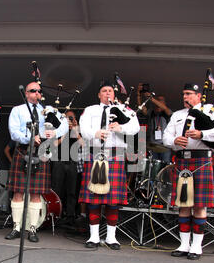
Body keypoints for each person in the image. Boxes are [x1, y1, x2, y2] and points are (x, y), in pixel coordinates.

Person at [163, 83, 214, 260]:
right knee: (184, 204)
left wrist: (202, 135)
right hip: (182, 160)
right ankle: (184, 245)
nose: (185, 97)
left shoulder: (209, 111)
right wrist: (175, 141)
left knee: (199, 206)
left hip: (201, 159)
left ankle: (196, 247)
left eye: (189, 94)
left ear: (199, 96)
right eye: (184, 94)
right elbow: (165, 137)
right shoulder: (177, 115)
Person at [78, 80, 140, 250]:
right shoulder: (90, 110)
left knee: (113, 201)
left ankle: (111, 238)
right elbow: (83, 129)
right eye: (104, 91)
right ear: (99, 94)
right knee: (94, 199)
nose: (107, 93)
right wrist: (95, 133)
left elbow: (135, 128)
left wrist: (121, 128)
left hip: (116, 155)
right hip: (95, 154)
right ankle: (94, 237)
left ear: (115, 94)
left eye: (110, 91)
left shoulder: (125, 110)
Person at [6, 81, 68, 242]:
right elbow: (14, 133)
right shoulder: (17, 110)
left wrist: (52, 134)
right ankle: (16, 227)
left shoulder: (47, 111)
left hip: (41, 153)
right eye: (33, 91)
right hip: (23, 150)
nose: (36, 93)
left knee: (36, 193)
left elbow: (64, 126)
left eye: (39, 91)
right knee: (18, 192)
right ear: (26, 93)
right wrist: (30, 137)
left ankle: (32, 228)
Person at [52, 110, 83, 227]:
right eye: (67, 118)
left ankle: (70, 216)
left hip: (72, 163)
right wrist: (65, 131)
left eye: (72, 118)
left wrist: (75, 130)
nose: (69, 120)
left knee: (72, 191)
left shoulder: (77, 130)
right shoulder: (59, 128)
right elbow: (52, 145)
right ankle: (56, 215)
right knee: (57, 190)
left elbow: (83, 144)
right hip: (59, 162)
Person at [137, 84, 173, 163]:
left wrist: (151, 98)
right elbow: (141, 108)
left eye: (161, 100)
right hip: (153, 146)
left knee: (165, 167)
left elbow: (164, 108)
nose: (158, 102)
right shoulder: (151, 112)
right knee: (153, 168)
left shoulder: (167, 112)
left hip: (165, 146)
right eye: (158, 100)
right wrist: (138, 94)